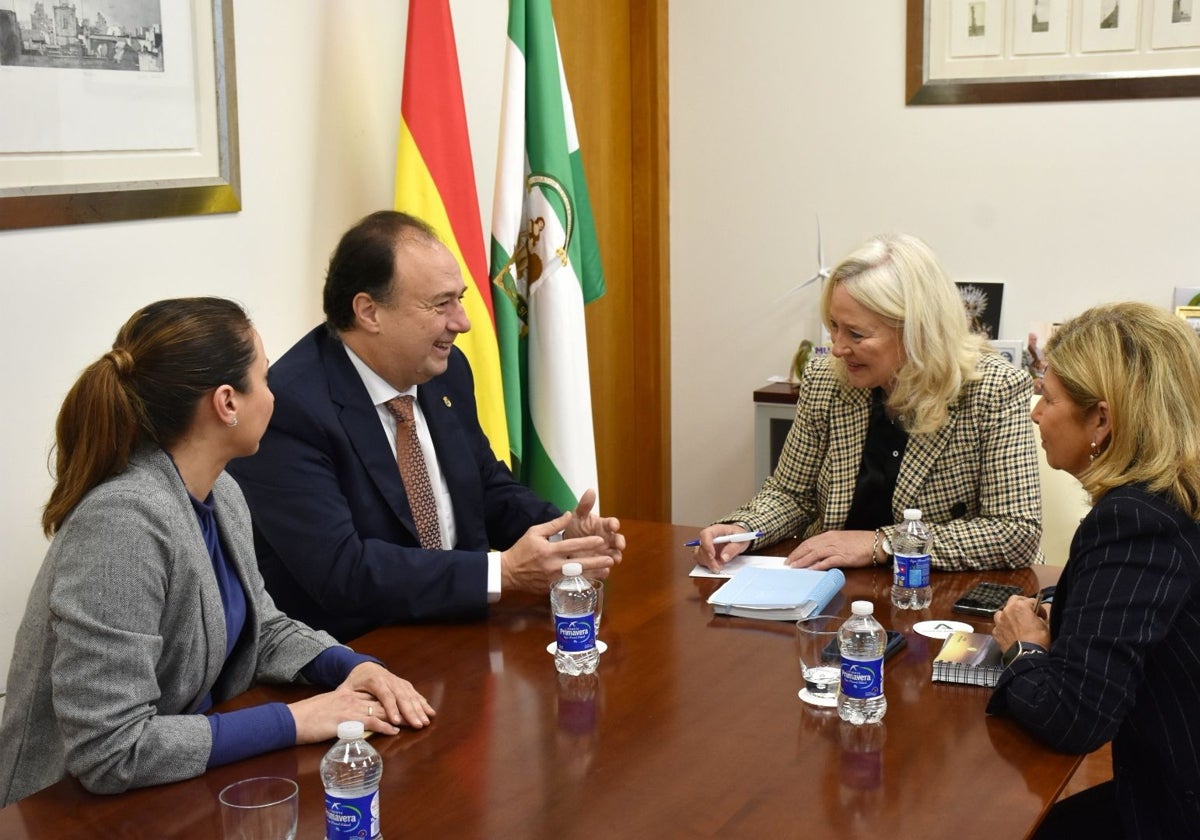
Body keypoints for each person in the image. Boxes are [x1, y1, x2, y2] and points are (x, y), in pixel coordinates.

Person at [0, 298, 436, 806]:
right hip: (64, 810)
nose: (275, 397)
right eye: (266, 380)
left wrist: (349, 666)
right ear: (227, 402)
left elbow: (263, 628)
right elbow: (109, 750)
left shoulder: (220, 491)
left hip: (175, 784)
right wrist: (298, 719)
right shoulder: (121, 522)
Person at [227, 211, 623, 641]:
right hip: (359, 652)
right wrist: (501, 573)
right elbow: (342, 573)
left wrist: (564, 535)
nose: (462, 322)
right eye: (441, 304)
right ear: (368, 312)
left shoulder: (445, 372)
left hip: (463, 630)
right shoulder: (291, 408)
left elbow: (486, 487)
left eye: (461, 298)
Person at [694, 233, 1041, 572]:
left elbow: (1014, 531)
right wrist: (744, 529)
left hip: (937, 594)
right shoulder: (826, 380)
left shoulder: (993, 389)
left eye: (856, 334)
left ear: (915, 331)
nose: (838, 348)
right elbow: (792, 493)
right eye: (834, 326)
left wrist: (883, 544)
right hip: (831, 587)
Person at [988, 302, 1200, 838]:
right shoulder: (1175, 497)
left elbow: (1074, 716)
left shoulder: (1133, 519)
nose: (1036, 411)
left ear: (1101, 418)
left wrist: (1023, 648)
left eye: (1049, 396)